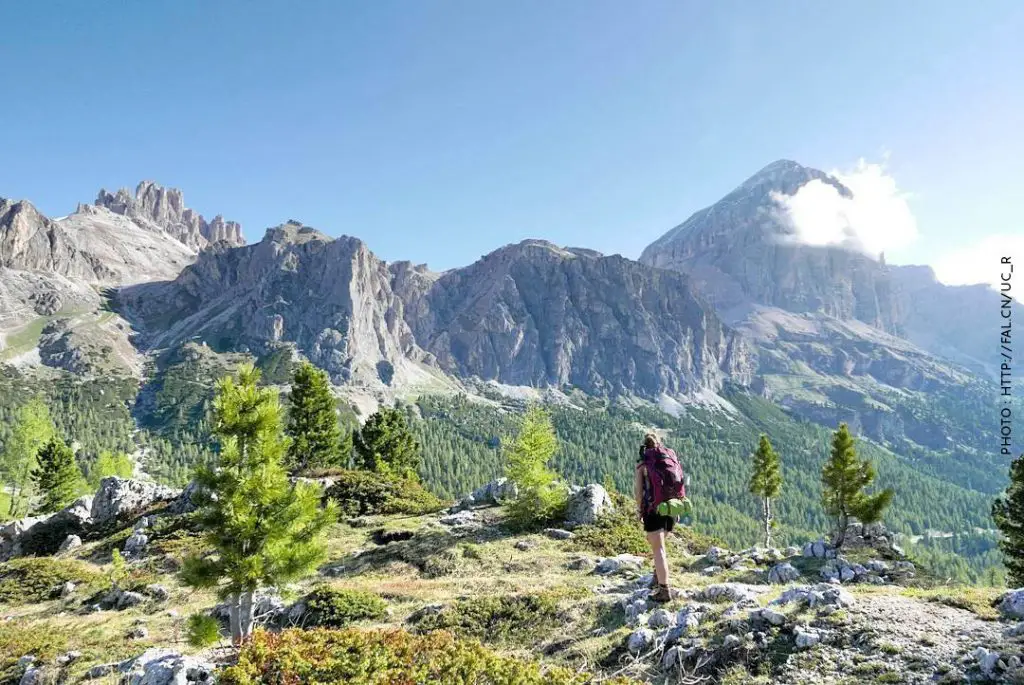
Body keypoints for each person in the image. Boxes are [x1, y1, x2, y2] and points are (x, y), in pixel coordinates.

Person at [634, 433, 677, 602]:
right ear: (659, 444)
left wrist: (639, 510)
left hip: (653, 509)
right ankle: (657, 577)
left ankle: (664, 590)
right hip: (671, 508)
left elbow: (638, 493)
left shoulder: (643, 464)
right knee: (660, 545)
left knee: (658, 549)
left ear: (644, 447)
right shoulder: (668, 457)